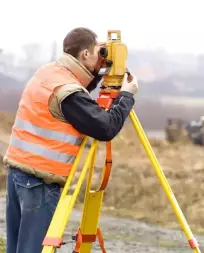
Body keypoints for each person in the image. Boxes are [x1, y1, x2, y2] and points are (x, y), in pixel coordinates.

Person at [3, 27, 139, 253]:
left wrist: (98, 72)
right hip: (40, 182)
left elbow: (78, 93)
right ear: (85, 54)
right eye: (99, 51)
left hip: (18, 174)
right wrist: (126, 96)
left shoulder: (49, 73)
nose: (102, 56)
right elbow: (105, 128)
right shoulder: (68, 92)